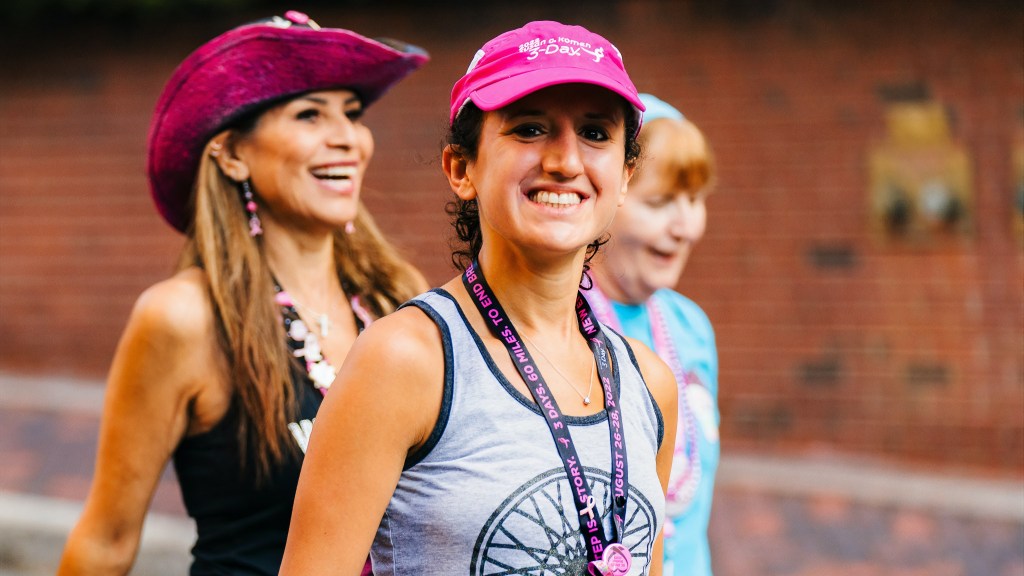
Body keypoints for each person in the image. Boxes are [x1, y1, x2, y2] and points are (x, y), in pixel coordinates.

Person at [280, 20, 678, 576]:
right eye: (530, 128)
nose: (565, 161)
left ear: (626, 173)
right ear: (461, 168)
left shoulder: (649, 384)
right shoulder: (405, 361)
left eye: (595, 134)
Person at [57, 11, 428, 575]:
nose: (346, 139)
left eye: (352, 115)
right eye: (309, 114)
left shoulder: (397, 300)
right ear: (231, 154)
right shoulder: (184, 318)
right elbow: (106, 541)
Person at [586, 94, 719, 576]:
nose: (686, 226)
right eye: (661, 202)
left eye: (696, 200)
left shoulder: (692, 328)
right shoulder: (561, 325)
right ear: (610, 196)